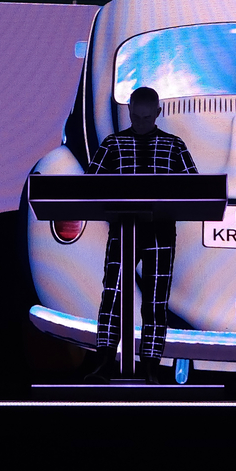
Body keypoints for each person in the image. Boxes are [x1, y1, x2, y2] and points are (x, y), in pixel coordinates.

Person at [86, 85, 198, 383]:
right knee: (113, 295)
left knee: (156, 302)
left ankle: (151, 367)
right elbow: (88, 186)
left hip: (160, 232)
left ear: (158, 113)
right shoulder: (113, 144)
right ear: (129, 112)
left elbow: (196, 189)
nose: (141, 123)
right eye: (136, 117)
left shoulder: (174, 146)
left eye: (147, 118)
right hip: (123, 230)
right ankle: (104, 362)